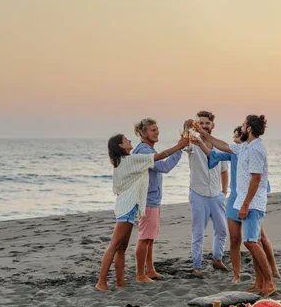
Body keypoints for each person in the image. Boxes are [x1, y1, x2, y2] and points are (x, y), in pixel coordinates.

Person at [192, 115, 276, 296]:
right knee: (251, 241)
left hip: (253, 202)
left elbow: (256, 179)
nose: (242, 126)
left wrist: (245, 205)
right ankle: (260, 281)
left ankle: (269, 282)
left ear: (249, 129)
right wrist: (201, 133)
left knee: (252, 242)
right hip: (243, 201)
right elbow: (222, 145)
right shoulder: (245, 147)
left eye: (244, 124)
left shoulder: (256, 149)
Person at [95, 133, 188, 291]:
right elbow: (159, 156)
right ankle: (101, 282)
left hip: (128, 207)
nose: (130, 140)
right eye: (126, 140)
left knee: (121, 248)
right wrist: (179, 146)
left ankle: (120, 282)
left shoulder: (123, 161)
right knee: (114, 246)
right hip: (126, 207)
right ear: (120, 146)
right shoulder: (130, 160)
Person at [133, 118, 184, 280]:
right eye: (153, 130)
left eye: (157, 129)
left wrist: (179, 148)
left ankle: (150, 270)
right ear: (143, 133)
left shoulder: (148, 149)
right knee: (145, 237)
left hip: (153, 199)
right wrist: (179, 148)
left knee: (150, 238)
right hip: (147, 200)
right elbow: (164, 167)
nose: (157, 132)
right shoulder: (143, 151)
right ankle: (140, 274)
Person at [186, 110, 229, 276]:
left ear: (212, 125)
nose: (204, 126)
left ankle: (218, 260)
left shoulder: (218, 145)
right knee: (198, 232)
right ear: (197, 125)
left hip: (216, 195)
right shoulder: (192, 142)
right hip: (198, 193)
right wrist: (186, 128)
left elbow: (224, 171)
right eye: (201, 123)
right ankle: (197, 266)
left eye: (207, 123)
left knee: (222, 230)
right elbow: (183, 142)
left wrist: (224, 191)